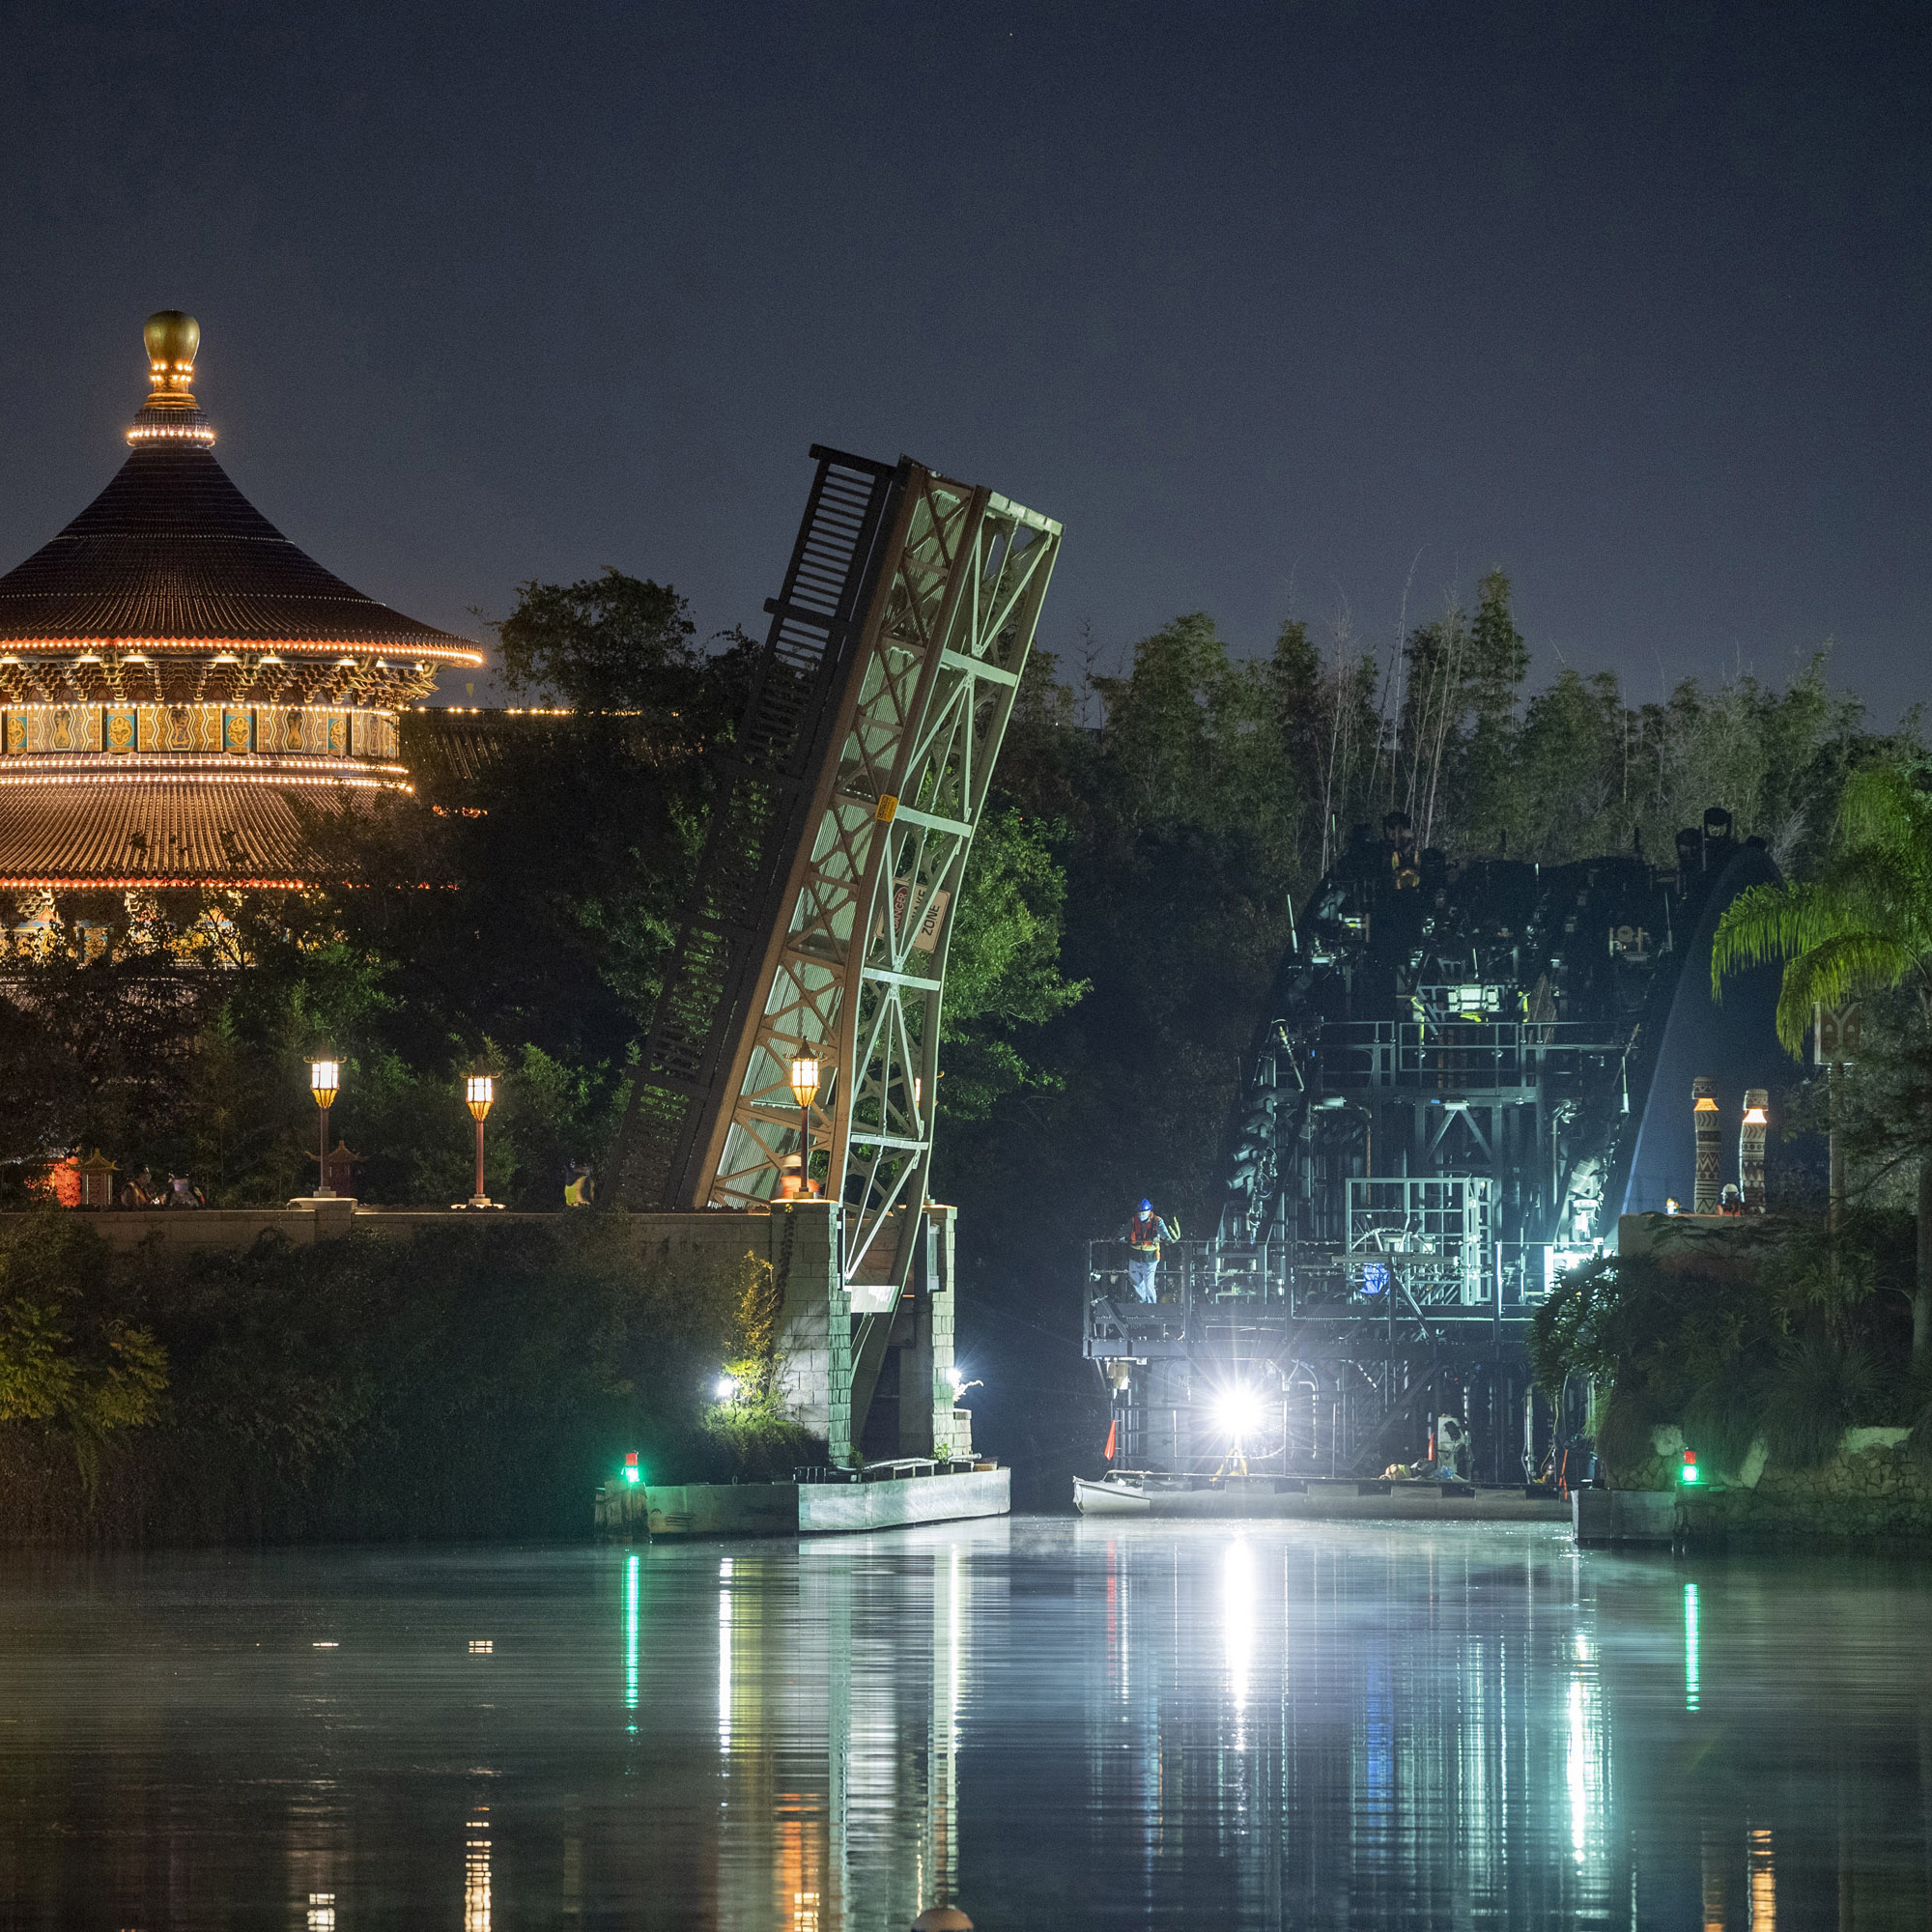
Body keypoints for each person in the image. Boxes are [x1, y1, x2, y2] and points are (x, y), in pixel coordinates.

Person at [1125, 1198, 1179, 1304]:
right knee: (1135, 1281)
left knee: (1148, 1284)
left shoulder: (1157, 1221)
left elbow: (1164, 1232)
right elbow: (1125, 1230)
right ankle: (1141, 1303)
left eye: (1143, 1213)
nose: (1141, 1215)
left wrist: (1168, 1239)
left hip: (1150, 1258)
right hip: (1135, 1256)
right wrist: (1119, 1237)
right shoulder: (1134, 1220)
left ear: (1149, 1211)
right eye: (1139, 1213)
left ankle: (1151, 1306)